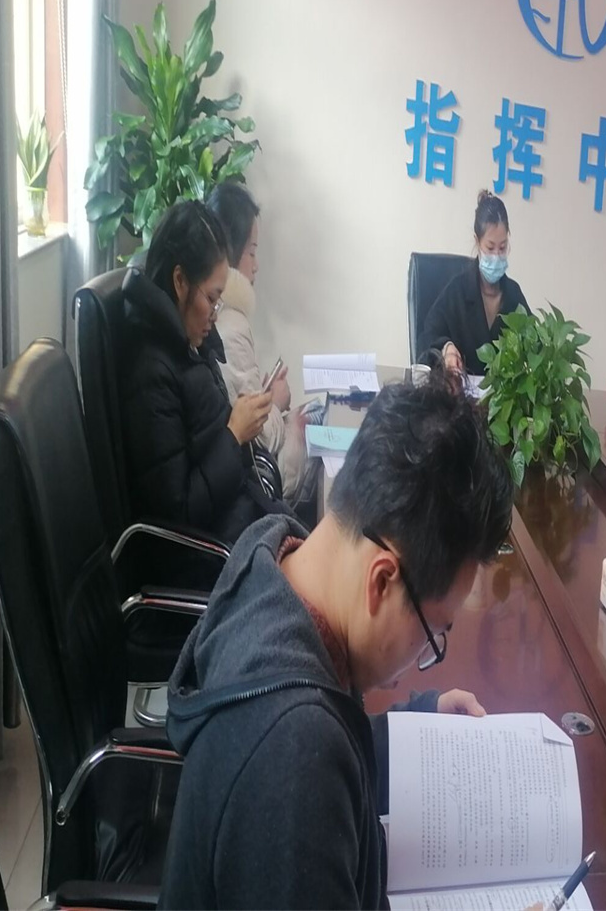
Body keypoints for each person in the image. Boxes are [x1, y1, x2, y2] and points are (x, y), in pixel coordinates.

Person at [158, 376, 514, 908]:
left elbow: (326, 727)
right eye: (433, 633)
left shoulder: (275, 558)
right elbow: (304, 754)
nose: (425, 656)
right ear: (382, 581)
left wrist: (413, 725)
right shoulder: (294, 766)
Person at [120, 200, 289, 544]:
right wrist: (234, 433)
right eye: (211, 299)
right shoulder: (152, 373)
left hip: (238, 521)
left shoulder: (188, 347)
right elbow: (179, 512)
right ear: (180, 281)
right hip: (209, 550)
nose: (215, 314)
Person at [207, 183, 308, 501]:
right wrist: (275, 403)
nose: (256, 264)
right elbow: (261, 441)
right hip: (254, 481)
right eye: (251, 252)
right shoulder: (230, 325)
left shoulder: (221, 318)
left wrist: (264, 399)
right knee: (309, 428)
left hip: (240, 470)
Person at [419, 190, 530, 376]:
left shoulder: (513, 295)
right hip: (460, 392)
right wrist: (447, 348)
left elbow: (534, 344)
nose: (497, 255)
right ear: (477, 242)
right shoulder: (457, 290)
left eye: (502, 247)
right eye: (490, 247)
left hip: (503, 395)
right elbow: (428, 335)